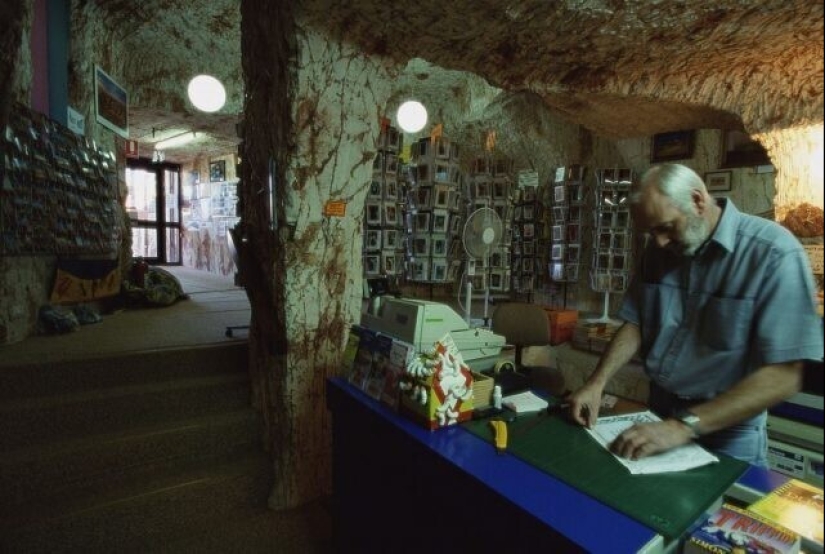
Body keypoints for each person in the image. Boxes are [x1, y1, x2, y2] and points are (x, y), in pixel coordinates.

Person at [567, 163, 823, 466]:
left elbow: (786, 375)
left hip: (729, 430)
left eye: (665, 227)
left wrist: (683, 426)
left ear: (698, 201)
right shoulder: (660, 248)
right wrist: (597, 383)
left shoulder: (773, 253)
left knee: (724, 510)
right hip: (661, 413)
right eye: (651, 231)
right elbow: (636, 322)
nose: (659, 241)